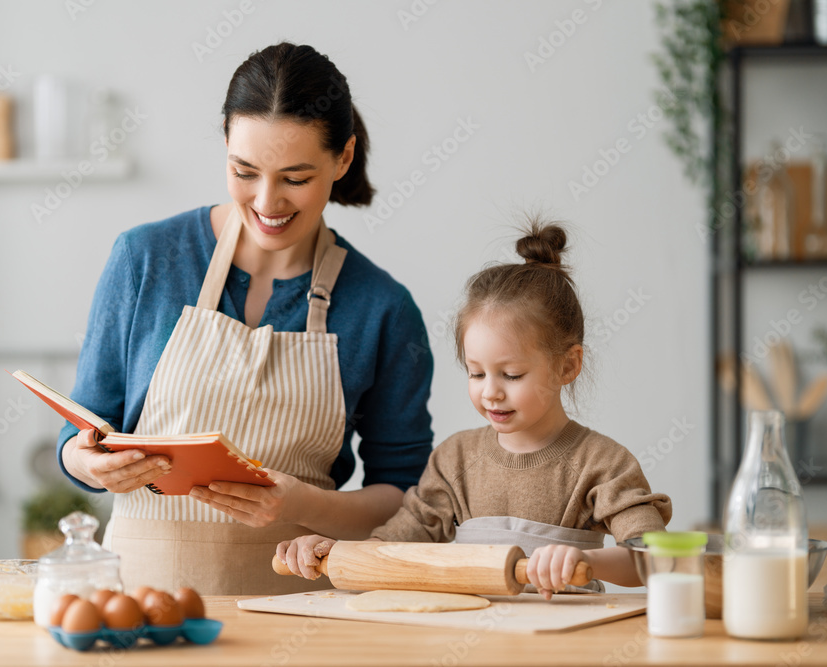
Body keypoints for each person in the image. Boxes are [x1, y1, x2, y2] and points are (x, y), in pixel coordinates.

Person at [56, 43, 434, 595]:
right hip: (140, 608)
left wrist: (305, 504)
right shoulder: (145, 260)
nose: (266, 201)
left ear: (343, 159)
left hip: (303, 615)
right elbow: (80, 430)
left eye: (296, 178)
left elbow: (405, 498)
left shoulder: (382, 307)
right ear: (226, 148)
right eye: (245, 171)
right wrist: (88, 464)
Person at [277, 220, 672, 598]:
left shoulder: (602, 463)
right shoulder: (454, 460)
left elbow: (655, 560)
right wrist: (335, 551)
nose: (491, 393)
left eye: (512, 375)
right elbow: (392, 547)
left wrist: (587, 560)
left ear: (567, 365)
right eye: (477, 373)